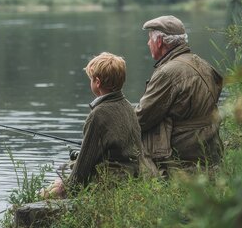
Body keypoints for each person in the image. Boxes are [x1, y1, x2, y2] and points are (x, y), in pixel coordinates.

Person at [41, 52, 144, 198]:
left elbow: (84, 165)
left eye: (90, 79)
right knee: (67, 166)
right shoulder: (128, 106)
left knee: (57, 180)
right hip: (132, 177)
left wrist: (65, 189)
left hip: (109, 183)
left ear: (97, 82)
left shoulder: (99, 114)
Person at [135, 15, 223, 172]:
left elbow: (142, 117)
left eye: (150, 39)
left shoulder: (168, 72)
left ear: (159, 41)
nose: (148, 43)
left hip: (183, 155)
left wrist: (117, 122)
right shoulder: (202, 63)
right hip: (208, 150)